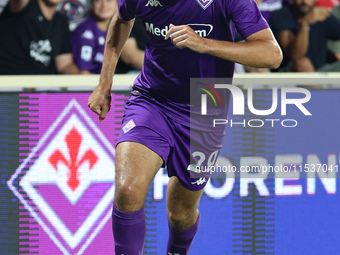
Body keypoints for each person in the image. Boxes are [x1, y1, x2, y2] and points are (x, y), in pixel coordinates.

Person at [87, 0, 282, 254]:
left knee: (180, 213)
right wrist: (104, 84)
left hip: (205, 110)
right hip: (152, 99)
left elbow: (272, 54)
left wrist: (203, 44)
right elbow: (122, 19)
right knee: (128, 189)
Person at [0, 0, 85, 74]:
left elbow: (65, 65)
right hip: (8, 83)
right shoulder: (23, 5)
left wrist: (82, 75)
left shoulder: (61, 22)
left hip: (40, 86)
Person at [269, 0, 340, 72]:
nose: (305, 2)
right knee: (302, 63)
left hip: (320, 70)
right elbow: (296, 55)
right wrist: (305, 25)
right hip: (289, 71)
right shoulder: (280, 15)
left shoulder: (322, 15)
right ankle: (316, 83)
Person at [71, 0, 115, 74]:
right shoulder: (85, 32)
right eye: (98, 1)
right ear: (92, 4)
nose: (104, 5)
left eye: (109, 0)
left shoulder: (114, 30)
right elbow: (84, 72)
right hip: (88, 84)